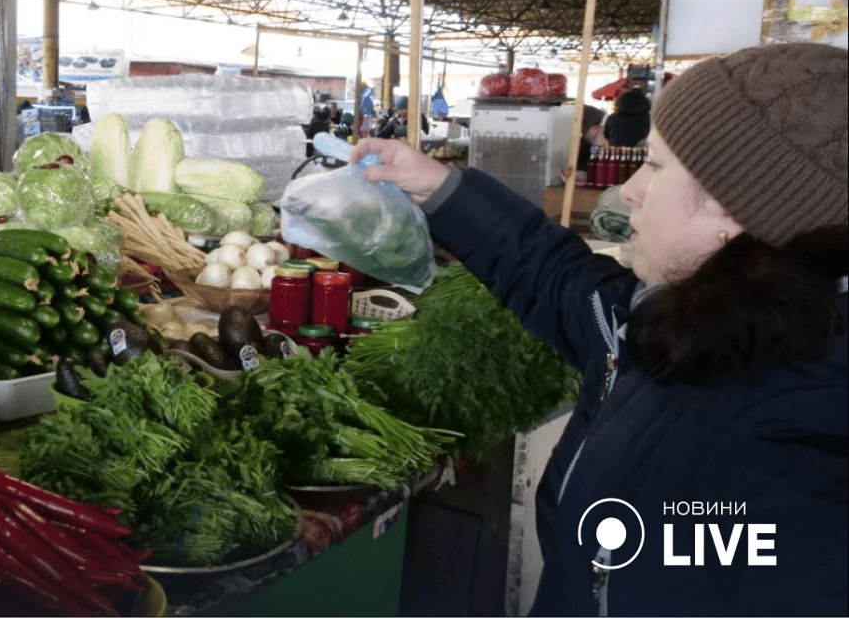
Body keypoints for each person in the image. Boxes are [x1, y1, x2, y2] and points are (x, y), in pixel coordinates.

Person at [352, 42, 846, 615]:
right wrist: (439, 186)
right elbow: (553, 273)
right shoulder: (675, 326)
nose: (630, 190)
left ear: (733, 208)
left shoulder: (803, 436)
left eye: (657, 167)